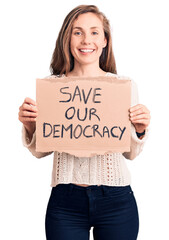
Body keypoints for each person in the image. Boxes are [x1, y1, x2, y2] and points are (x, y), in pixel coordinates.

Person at [18, 4, 150, 240]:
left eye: (94, 32)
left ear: (105, 41)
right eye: (77, 32)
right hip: (65, 203)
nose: (86, 40)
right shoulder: (52, 87)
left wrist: (139, 131)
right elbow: (41, 151)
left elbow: (130, 154)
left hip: (116, 200)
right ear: (67, 39)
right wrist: (30, 126)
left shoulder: (124, 86)